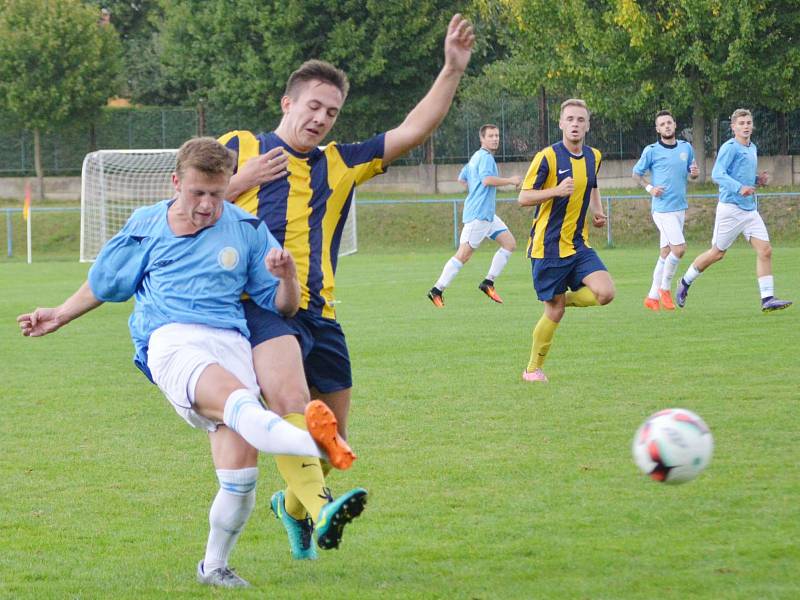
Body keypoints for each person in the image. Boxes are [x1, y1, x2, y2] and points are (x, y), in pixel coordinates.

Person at [16, 137, 365, 588]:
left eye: (217, 194)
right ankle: (319, 447)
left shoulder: (247, 228)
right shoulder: (146, 225)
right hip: (173, 340)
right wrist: (59, 314)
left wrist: (289, 277)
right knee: (244, 404)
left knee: (240, 478)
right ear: (176, 182)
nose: (206, 205)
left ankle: (214, 566)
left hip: (231, 341)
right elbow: (105, 282)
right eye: (197, 192)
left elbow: (283, 308)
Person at [217, 14, 474, 560]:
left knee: (330, 445)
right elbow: (186, 206)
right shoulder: (237, 146)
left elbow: (413, 129)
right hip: (259, 310)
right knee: (291, 402)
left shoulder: (342, 162)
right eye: (313, 106)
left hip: (322, 316)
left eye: (331, 112)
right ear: (287, 103)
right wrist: (240, 182)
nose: (321, 119)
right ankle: (321, 506)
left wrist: (451, 69)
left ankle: (291, 505)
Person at [517, 99, 615, 383]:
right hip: (546, 248)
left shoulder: (593, 156)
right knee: (555, 312)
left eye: (580, 120)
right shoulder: (546, 157)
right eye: (570, 119)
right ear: (560, 123)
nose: (575, 124)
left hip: (578, 244)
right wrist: (556, 191)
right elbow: (523, 197)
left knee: (606, 293)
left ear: (587, 125)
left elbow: (592, 184)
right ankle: (532, 370)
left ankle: (560, 301)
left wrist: (597, 210)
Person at [676, 109, 792, 312]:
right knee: (717, 253)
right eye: (742, 123)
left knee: (765, 251)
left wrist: (757, 180)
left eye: (749, 122)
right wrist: (740, 188)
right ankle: (685, 282)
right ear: (733, 127)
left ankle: (767, 298)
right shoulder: (729, 148)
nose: (746, 126)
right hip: (730, 209)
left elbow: (741, 174)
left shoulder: (752, 147)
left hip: (749, 210)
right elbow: (717, 174)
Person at [427, 124, 522, 307]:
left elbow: (461, 179)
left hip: (487, 214)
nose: (495, 138)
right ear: (482, 139)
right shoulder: (485, 157)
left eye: (497, 135)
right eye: (491, 136)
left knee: (509, 243)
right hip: (478, 214)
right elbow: (486, 180)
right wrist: (510, 180)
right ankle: (437, 290)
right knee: (463, 255)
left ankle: (488, 282)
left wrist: (475, 190)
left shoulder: (475, 158)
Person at [632, 110, 699, 311]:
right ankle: (665, 289)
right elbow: (636, 173)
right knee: (679, 249)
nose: (666, 126)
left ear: (675, 125)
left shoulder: (686, 148)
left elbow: (692, 173)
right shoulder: (651, 150)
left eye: (669, 122)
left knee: (665, 252)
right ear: (657, 129)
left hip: (680, 208)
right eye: (662, 124)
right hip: (662, 209)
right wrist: (650, 188)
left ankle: (652, 297)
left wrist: (694, 174)